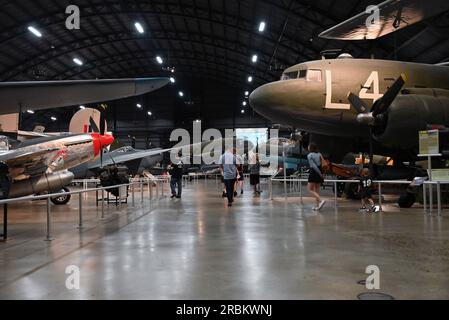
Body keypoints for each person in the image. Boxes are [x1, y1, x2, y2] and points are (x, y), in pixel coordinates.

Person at [307, 143, 326, 211]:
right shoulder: (319, 154)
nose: (308, 147)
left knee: (309, 189)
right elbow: (323, 164)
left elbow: (314, 166)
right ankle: (317, 206)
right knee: (317, 190)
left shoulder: (309, 155)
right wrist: (322, 173)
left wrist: (319, 173)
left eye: (308, 146)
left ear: (311, 148)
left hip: (314, 172)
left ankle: (321, 201)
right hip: (320, 171)